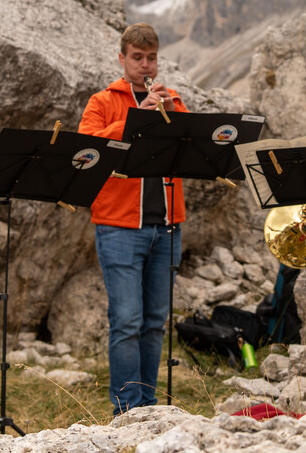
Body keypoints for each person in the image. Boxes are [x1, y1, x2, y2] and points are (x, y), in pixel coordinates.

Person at [78, 22, 189, 414]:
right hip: (119, 226)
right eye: (137, 58)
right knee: (126, 320)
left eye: (152, 58)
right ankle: (126, 409)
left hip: (167, 225)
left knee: (155, 320)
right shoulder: (102, 101)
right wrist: (134, 119)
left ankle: (149, 405)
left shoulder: (171, 97)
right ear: (122, 58)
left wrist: (172, 113)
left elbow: (193, 146)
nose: (146, 65)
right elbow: (87, 152)